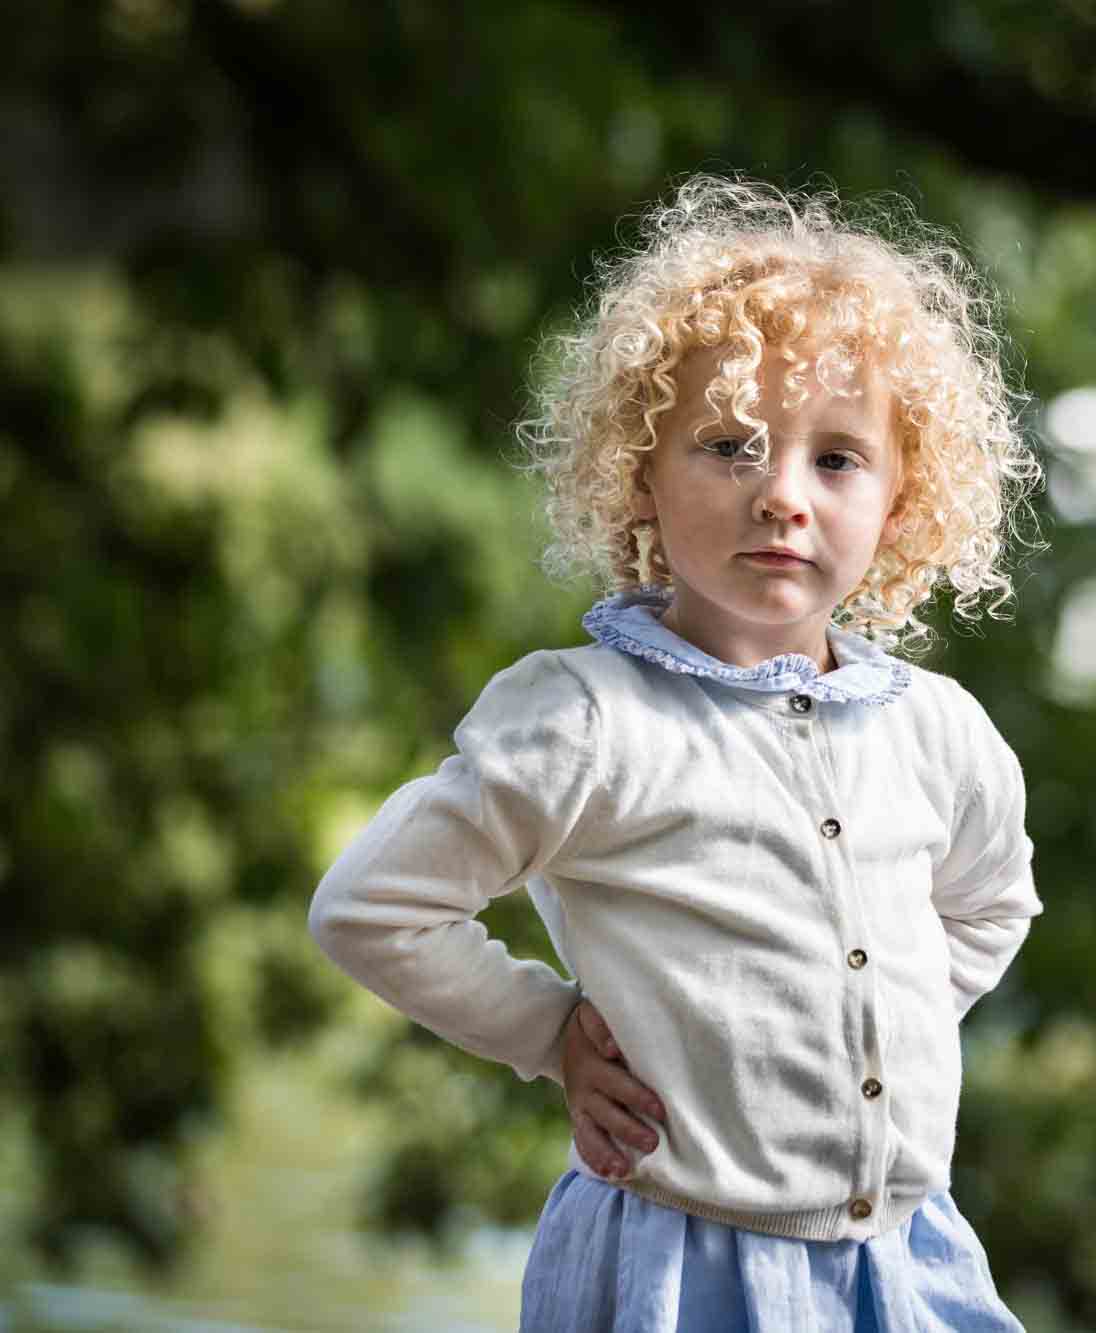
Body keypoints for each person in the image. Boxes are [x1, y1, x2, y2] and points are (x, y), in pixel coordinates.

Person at [308, 174, 1044, 1331]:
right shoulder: (586, 722)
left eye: (837, 460)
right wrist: (547, 1033)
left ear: (902, 500)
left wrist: (867, 1026)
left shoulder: (935, 729)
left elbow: (991, 903)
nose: (781, 498)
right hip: (682, 1269)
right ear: (640, 474)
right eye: (728, 446)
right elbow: (371, 906)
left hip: (906, 1263)